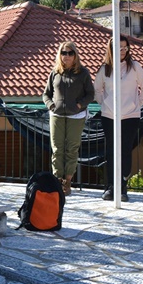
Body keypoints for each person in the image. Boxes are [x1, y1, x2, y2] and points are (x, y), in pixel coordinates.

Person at [94, 35, 143, 202]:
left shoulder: (134, 67)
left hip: (130, 117)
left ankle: (123, 188)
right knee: (111, 151)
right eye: (119, 48)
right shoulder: (105, 69)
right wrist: (105, 104)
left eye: (125, 48)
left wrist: (136, 105)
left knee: (125, 151)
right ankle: (110, 187)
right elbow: (97, 90)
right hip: (109, 116)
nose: (123, 51)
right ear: (111, 50)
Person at [42, 40, 95, 196]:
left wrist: (79, 105)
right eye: (63, 53)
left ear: (75, 55)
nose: (66, 56)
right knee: (57, 149)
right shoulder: (55, 73)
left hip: (76, 116)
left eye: (70, 53)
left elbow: (90, 94)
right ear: (60, 55)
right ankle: (57, 181)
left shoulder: (83, 73)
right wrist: (51, 105)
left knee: (72, 149)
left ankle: (67, 181)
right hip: (56, 115)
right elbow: (46, 94)